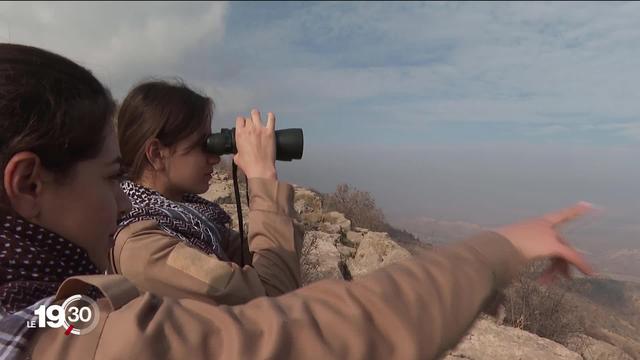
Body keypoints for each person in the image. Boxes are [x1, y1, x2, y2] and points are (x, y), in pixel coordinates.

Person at [0, 43, 593, 360]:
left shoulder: (45, 312)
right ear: (28, 184)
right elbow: (277, 310)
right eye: (108, 177)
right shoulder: (130, 252)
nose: (215, 156)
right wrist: (496, 251)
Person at [112, 80, 302, 305]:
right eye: (202, 145)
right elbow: (273, 298)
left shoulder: (196, 219)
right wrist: (262, 177)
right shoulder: (144, 250)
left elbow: (274, 263)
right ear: (156, 154)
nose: (214, 158)